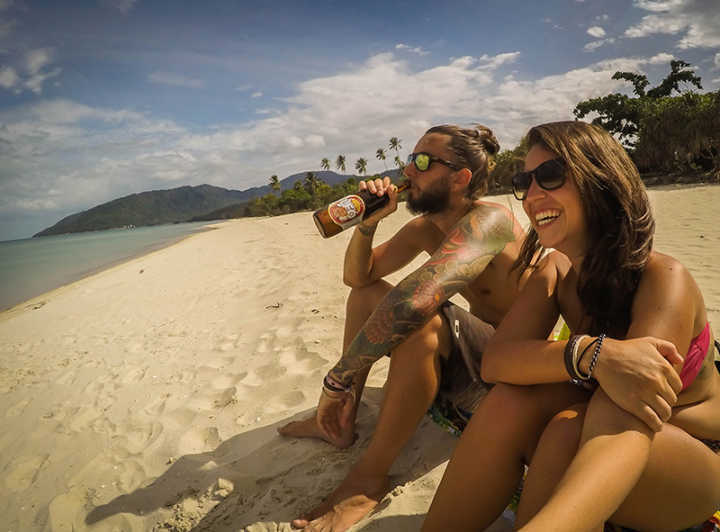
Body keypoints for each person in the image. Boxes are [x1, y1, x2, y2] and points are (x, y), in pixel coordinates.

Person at [423, 121, 720, 531]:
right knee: (513, 400)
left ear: (600, 179)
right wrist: (588, 354)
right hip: (601, 446)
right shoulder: (557, 272)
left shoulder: (664, 278)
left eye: (550, 175)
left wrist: (594, 360)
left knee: (571, 427)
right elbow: (497, 362)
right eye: (523, 181)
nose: (532, 194)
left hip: (691, 460)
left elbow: (633, 403)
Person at [278, 124, 530, 532]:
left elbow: (418, 299)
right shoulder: (425, 227)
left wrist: (336, 378)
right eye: (409, 160)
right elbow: (357, 278)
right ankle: (342, 421)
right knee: (367, 295)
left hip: (514, 372)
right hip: (473, 360)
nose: (408, 171)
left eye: (423, 162)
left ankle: (368, 479)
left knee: (422, 319)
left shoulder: (491, 221)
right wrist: (366, 225)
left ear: (461, 177)